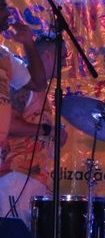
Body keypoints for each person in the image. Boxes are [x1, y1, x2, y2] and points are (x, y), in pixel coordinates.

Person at [0, 35, 67, 227]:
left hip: (33, 176)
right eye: (62, 57)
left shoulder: (40, 91)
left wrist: (54, 136)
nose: (64, 64)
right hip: (16, 174)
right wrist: (48, 130)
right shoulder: (23, 87)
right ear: (48, 56)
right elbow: (9, 125)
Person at [0, 0, 48, 222]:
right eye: (2, 7)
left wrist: (28, 43)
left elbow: (38, 83)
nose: (8, 13)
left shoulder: (4, 56)